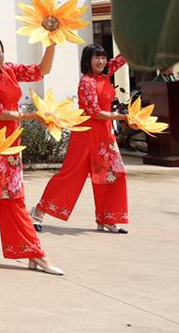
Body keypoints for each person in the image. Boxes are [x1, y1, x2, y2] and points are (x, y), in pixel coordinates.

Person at [0, 36, 63, 275]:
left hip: (11, 144)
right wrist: (33, 116)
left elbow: (42, 70)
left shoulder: (9, 70)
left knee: (15, 198)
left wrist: (52, 41)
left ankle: (34, 254)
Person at [31, 45, 130, 233]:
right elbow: (93, 112)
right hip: (85, 134)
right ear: (87, 61)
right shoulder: (86, 82)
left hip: (105, 136)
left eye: (103, 57)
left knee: (114, 174)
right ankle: (38, 212)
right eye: (96, 58)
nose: (101, 61)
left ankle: (107, 218)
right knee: (71, 176)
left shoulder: (105, 74)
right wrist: (122, 117)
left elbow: (123, 56)